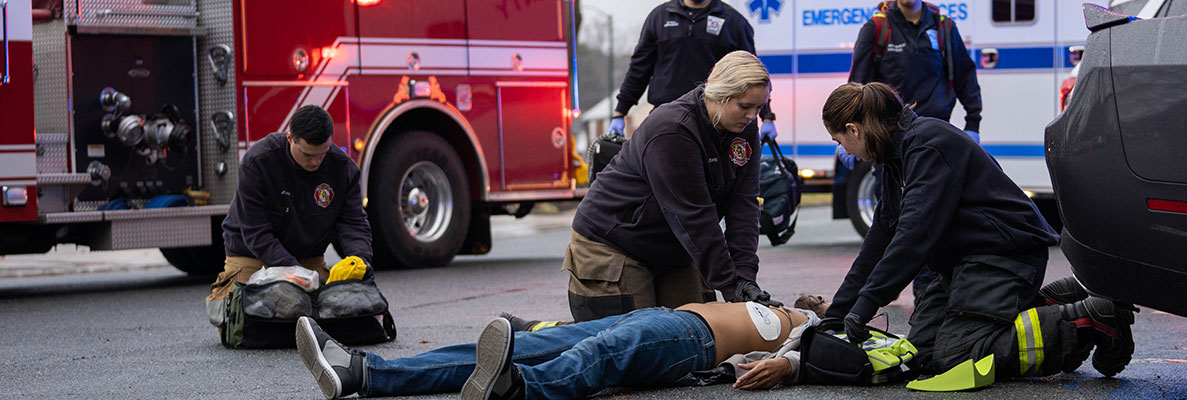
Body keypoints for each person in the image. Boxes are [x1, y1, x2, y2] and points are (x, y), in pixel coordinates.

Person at [818, 82, 1134, 388]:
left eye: (838, 140)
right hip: (966, 265)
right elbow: (879, 239)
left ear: (854, 129)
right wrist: (837, 314)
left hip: (1003, 256)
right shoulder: (894, 160)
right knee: (921, 356)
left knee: (958, 357)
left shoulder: (927, 145)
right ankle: (1059, 301)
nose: (842, 149)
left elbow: (913, 236)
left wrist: (868, 303)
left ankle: (1089, 319)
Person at [566, 51, 778, 322]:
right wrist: (730, 284)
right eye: (745, 106)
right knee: (634, 341)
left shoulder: (743, 130)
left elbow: (744, 204)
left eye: (759, 108)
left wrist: (746, 279)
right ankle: (532, 333)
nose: (752, 116)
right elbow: (695, 217)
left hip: (671, 244)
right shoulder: (673, 131)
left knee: (695, 334)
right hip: (614, 241)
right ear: (721, 95)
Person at [295, 296, 830, 399]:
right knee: (529, 342)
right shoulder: (782, 303)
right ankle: (364, 374)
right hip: (666, 318)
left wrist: (789, 364)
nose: (823, 298)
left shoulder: (813, 328)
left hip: (691, 343)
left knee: (601, 356)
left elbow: (838, 360)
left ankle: (521, 389)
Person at [204, 105, 372, 328]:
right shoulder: (258, 162)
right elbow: (256, 231)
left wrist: (359, 261)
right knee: (237, 318)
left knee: (329, 316)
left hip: (306, 255)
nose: (315, 162)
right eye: (307, 155)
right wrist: (293, 274)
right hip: (251, 252)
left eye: (322, 154)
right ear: (290, 138)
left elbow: (353, 223)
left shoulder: (343, 169)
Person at [610, 0, 778, 141]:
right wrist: (620, 113)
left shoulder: (733, 22)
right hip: (665, 118)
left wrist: (767, 116)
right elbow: (639, 70)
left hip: (714, 122)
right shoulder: (659, 17)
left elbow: (751, 74)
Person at [849, 0, 982, 144]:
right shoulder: (876, 27)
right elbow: (858, 85)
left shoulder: (943, 27)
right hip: (890, 136)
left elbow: (964, 76)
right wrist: (852, 131)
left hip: (936, 133)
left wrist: (972, 125)